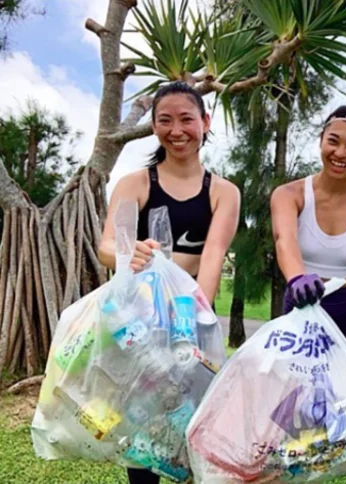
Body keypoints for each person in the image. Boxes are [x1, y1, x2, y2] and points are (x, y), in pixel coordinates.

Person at [98, 81, 240, 484]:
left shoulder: (224, 192)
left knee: (192, 420)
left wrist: (193, 322)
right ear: (154, 126)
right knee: (142, 423)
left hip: (192, 314)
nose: (176, 130)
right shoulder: (136, 184)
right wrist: (129, 252)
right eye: (165, 120)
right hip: (138, 319)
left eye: (186, 119)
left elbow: (212, 256)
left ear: (205, 122)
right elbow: (107, 246)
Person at [270, 92, 346, 483]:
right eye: (333, 141)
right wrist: (297, 278)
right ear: (321, 141)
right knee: (288, 421)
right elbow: (284, 241)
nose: (340, 153)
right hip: (301, 312)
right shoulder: (289, 194)